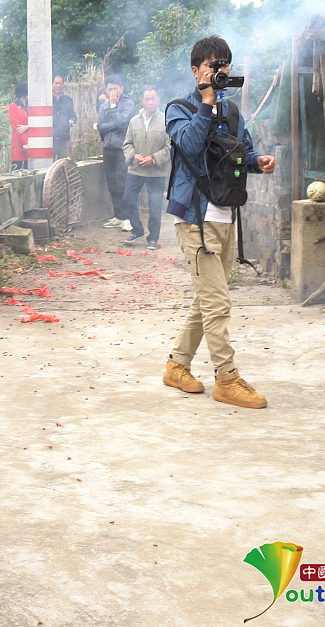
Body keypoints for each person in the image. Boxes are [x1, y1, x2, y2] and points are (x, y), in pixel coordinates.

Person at [162, 35, 276, 410]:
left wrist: (258, 162)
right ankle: (226, 378)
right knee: (217, 303)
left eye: (224, 64)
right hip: (195, 218)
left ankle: (177, 366)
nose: (220, 70)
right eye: (213, 64)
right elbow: (190, 145)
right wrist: (206, 102)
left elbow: (243, 151)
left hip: (225, 215)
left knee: (207, 299)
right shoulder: (179, 109)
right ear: (196, 70)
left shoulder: (232, 111)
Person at [121, 86, 170, 249]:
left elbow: (170, 147)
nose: (150, 102)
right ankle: (137, 230)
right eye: (147, 99)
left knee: (155, 205)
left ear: (158, 100)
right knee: (128, 199)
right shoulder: (134, 121)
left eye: (153, 98)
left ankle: (153, 238)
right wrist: (133, 155)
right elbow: (127, 144)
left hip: (156, 171)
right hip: (136, 169)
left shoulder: (166, 120)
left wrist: (154, 159)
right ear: (142, 100)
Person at [98, 75, 135, 231]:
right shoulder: (103, 106)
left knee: (122, 183)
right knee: (112, 184)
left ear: (122, 89)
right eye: (109, 89)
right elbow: (101, 127)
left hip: (122, 149)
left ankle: (128, 217)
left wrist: (113, 107)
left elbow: (123, 122)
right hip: (108, 148)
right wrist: (114, 124)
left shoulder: (128, 104)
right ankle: (118, 216)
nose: (112, 92)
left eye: (115, 89)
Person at [51, 75, 77, 160]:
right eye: (56, 83)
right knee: (49, 164)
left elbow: (73, 115)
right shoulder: (47, 100)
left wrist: (72, 120)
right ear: (52, 84)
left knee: (64, 163)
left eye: (60, 83)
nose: (58, 85)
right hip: (50, 139)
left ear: (63, 85)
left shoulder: (68, 100)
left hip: (64, 138)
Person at [9, 81, 29, 170]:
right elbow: (17, 127)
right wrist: (25, 142)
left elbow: (37, 122)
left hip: (31, 142)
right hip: (19, 142)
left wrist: (27, 127)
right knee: (16, 170)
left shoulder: (31, 105)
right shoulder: (13, 106)